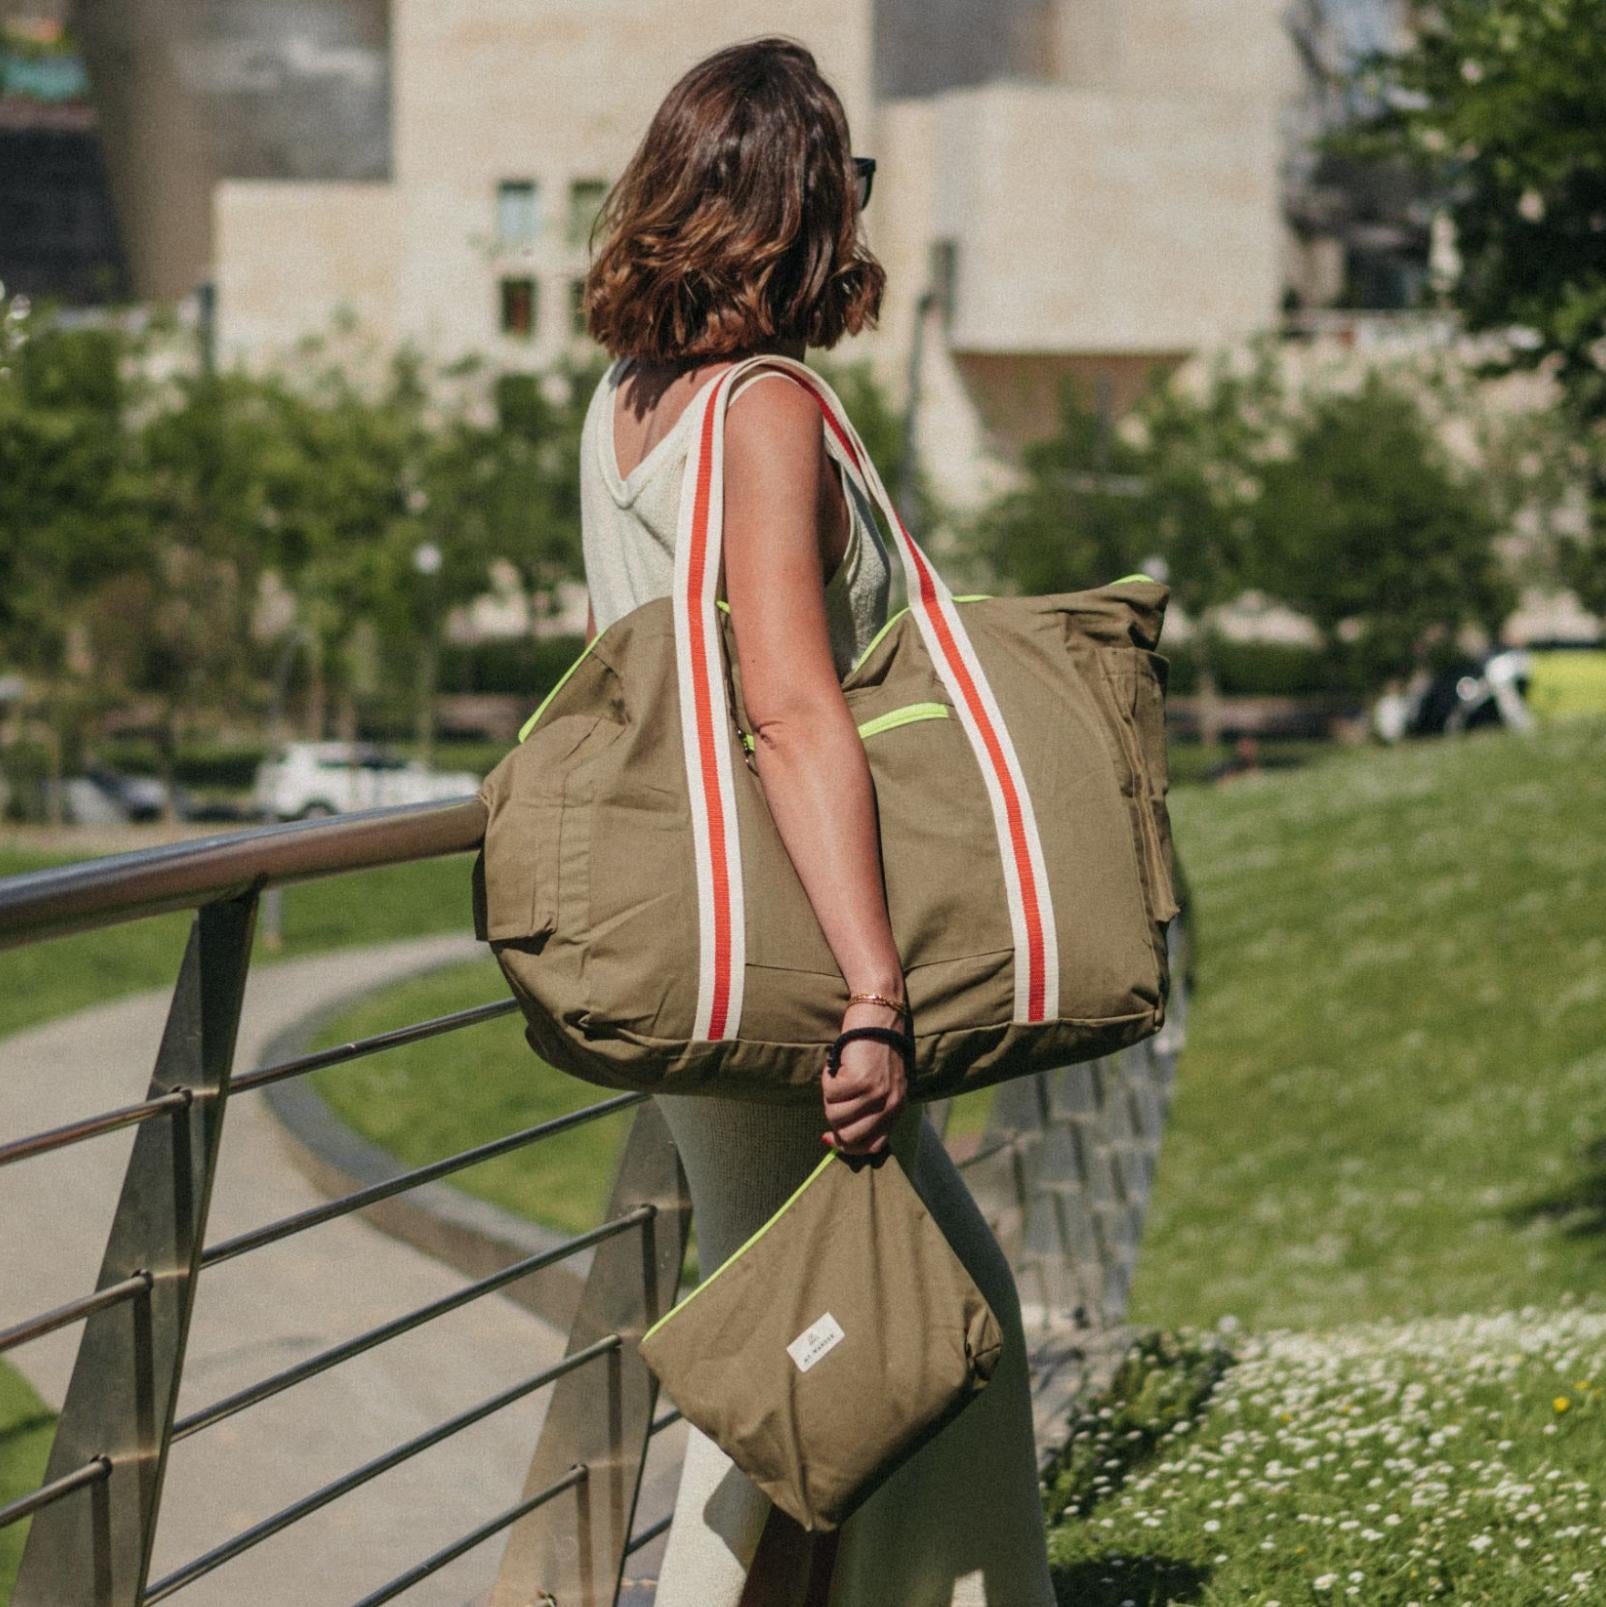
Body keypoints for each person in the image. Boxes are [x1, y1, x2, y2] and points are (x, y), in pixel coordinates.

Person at [574, 35, 1056, 1607]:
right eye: (845, 178)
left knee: (822, 1329)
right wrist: (876, 994)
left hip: (692, 930)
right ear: (797, 206)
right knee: (843, 1347)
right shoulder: (769, 407)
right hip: (792, 942)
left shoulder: (627, 404)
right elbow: (789, 706)